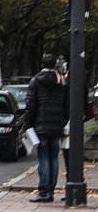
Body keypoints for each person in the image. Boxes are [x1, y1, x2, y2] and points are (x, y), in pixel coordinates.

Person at [24, 54, 69, 203]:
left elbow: (30, 106)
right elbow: (67, 105)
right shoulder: (62, 81)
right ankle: (51, 188)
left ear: (42, 65)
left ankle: (45, 192)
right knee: (54, 157)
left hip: (40, 124)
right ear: (55, 66)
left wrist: (27, 126)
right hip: (57, 124)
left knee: (43, 157)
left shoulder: (36, 80)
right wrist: (63, 122)